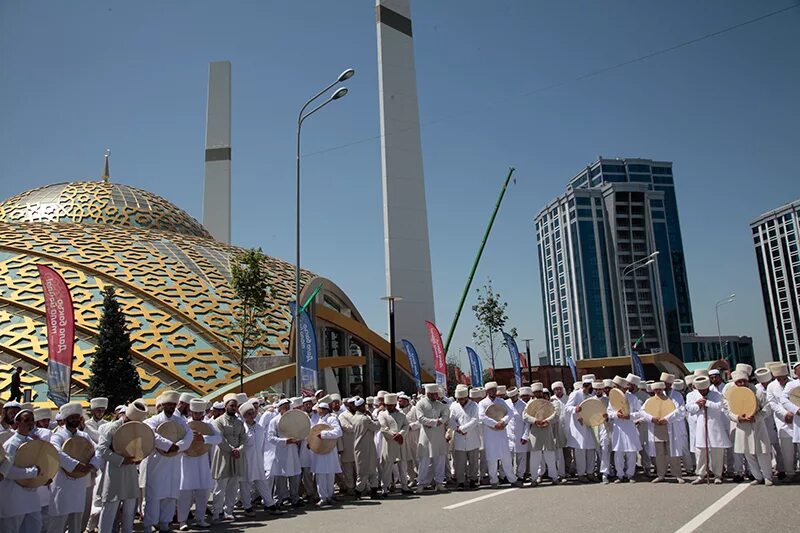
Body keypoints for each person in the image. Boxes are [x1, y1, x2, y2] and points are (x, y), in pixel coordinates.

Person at [141, 390, 192, 533]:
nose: (170, 407)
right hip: (157, 464)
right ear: (163, 405)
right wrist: (169, 445)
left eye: (173, 405)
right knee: (154, 496)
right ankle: (148, 525)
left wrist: (179, 446)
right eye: (168, 404)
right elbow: (151, 434)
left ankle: (165, 523)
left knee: (170, 495)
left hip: (174, 463)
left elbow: (189, 436)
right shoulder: (153, 420)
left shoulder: (181, 421)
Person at [96, 400, 148, 533]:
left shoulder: (138, 429)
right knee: (110, 507)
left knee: (130, 507)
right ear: (126, 416)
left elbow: (141, 448)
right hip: (114, 471)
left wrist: (138, 459)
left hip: (130, 471)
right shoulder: (112, 428)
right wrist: (121, 460)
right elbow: (102, 448)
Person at [48, 402, 100, 533]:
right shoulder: (57, 435)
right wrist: (76, 465)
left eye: (77, 417)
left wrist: (92, 464)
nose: (75, 420)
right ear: (65, 419)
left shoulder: (84, 436)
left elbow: (97, 450)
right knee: (58, 521)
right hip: (62, 483)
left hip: (79, 484)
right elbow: (57, 453)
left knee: (76, 522)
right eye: (72, 417)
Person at [177, 399, 221, 530]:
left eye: (199, 413)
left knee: (203, 490)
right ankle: (182, 521)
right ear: (191, 411)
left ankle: (200, 518)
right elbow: (178, 439)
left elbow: (219, 438)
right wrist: (189, 438)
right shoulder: (184, 424)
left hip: (202, 460)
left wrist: (204, 438)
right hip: (187, 460)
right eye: (195, 412)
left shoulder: (208, 424)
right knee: (185, 492)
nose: (197, 415)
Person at [0, 408, 45, 533]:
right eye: (26, 420)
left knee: (35, 527)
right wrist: (32, 472)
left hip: (31, 497)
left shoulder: (33, 442)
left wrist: (43, 478)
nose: (30, 423)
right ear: (18, 423)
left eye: (32, 420)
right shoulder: (11, 444)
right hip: (13, 497)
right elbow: (7, 471)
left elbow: (40, 464)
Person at [727, 371, 773, 486]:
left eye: (744, 381)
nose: (742, 383)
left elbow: (767, 409)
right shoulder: (732, 394)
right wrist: (738, 418)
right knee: (748, 453)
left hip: (757, 425)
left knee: (762, 452)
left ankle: (768, 476)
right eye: (739, 382)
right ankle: (757, 477)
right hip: (742, 427)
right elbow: (729, 412)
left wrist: (756, 417)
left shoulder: (758, 392)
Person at [686, 376, 730, 484]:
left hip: (715, 425)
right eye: (700, 390)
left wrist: (707, 403)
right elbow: (689, 408)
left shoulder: (717, 395)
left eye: (704, 390)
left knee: (717, 451)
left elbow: (720, 406)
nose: (702, 392)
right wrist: (698, 405)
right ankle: (701, 475)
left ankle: (718, 474)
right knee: (700, 451)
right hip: (701, 426)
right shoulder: (691, 395)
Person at [478, 382, 522, 488]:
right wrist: (494, 424)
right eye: (491, 390)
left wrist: (503, 421)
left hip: (501, 433)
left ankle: (512, 479)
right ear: (487, 391)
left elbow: (510, 413)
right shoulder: (482, 403)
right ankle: (494, 480)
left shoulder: (501, 401)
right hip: (490, 434)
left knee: (506, 457)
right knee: (491, 458)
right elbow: (482, 416)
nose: (493, 391)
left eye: (494, 389)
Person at [210, 393, 247, 522]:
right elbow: (220, 439)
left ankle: (228, 511)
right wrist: (231, 450)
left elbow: (244, 438)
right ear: (225, 406)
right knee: (220, 486)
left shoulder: (239, 423)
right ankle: (217, 511)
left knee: (233, 485)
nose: (233, 408)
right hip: (223, 456)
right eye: (231, 405)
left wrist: (239, 450)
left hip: (236, 457)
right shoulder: (218, 421)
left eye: (235, 406)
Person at [641, 382, 686, 484]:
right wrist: (652, 418)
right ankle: (661, 475)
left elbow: (680, 411)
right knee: (659, 453)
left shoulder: (670, 400)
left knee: (673, 453)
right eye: (656, 390)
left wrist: (667, 419)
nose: (658, 392)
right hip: (656, 429)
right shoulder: (649, 401)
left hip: (670, 428)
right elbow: (642, 412)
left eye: (660, 389)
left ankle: (678, 475)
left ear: (663, 389)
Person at [523, 383, 562, 485]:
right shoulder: (530, 403)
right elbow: (525, 416)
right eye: (535, 392)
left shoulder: (549, 403)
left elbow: (556, 415)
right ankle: (534, 479)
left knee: (550, 456)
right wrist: (535, 421)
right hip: (535, 432)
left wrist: (546, 421)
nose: (538, 394)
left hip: (547, 431)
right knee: (535, 457)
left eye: (539, 392)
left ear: (542, 392)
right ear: (533, 393)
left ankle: (554, 477)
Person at [267, 398, 302, 508]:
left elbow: (301, 432)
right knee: (280, 477)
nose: (287, 409)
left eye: (288, 407)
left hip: (293, 451)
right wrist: (286, 441)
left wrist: (298, 439)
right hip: (281, 452)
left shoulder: (294, 420)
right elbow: (270, 438)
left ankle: (295, 498)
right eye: (285, 407)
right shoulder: (274, 421)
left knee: (295, 475)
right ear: (280, 409)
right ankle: (279, 499)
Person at [415, 383, 450, 493]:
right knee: (424, 461)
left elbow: (446, 414)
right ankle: (421, 483)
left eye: (437, 394)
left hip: (439, 436)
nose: (436, 396)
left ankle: (439, 483)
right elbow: (420, 418)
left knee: (440, 459)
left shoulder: (440, 404)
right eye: (434, 394)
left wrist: (441, 421)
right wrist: (435, 422)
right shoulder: (420, 404)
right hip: (426, 436)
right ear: (429, 394)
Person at [608, 376, 642, 484]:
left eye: (617, 386)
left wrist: (630, 416)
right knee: (618, 452)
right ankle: (620, 475)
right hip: (618, 427)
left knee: (631, 452)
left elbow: (640, 413)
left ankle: (630, 474)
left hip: (630, 427)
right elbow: (608, 412)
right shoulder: (612, 398)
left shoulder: (633, 398)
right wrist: (616, 415)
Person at [767, 363, 797, 481]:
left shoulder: (793, 384)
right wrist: (785, 414)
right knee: (786, 449)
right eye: (779, 379)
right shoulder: (771, 386)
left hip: (796, 418)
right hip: (782, 420)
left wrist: (793, 412)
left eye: (784, 378)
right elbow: (772, 403)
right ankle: (790, 473)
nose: (781, 381)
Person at [565, 375, 597, 482]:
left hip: (589, 426)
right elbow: (567, 408)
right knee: (580, 452)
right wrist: (576, 409)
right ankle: (581, 474)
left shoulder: (591, 396)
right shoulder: (575, 394)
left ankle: (590, 473)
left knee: (590, 450)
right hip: (578, 428)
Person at [311, 402, 343, 506]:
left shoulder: (331, 419)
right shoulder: (318, 420)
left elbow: (338, 432)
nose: (317, 411)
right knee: (320, 475)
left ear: (324, 409)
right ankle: (323, 497)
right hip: (320, 451)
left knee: (330, 474)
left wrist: (324, 434)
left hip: (329, 450)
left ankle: (329, 496)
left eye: (319, 409)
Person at [377, 393, 409, 496]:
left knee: (402, 465)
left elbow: (406, 425)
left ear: (395, 405)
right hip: (389, 443)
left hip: (400, 443)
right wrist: (394, 435)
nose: (389, 407)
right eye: (388, 405)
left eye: (391, 405)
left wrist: (401, 434)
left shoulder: (401, 415)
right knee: (387, 466)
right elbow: (383, 427)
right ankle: (385, 488)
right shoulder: (382, 414)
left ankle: (405, 486)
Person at [351, 396, 381, 498]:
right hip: (366, 447)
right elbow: (376, 426)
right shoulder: (364, 419)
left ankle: (372, 490)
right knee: (368, 470)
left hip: (360, 447)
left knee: (364, 470)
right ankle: (358, 491)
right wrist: (373, 417)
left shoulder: (353, 418)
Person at [505, 387, 528, 480]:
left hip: (520, 433)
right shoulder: (506, 403)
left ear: (517, 395)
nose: (512, 399)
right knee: (508, 457)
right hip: (508, 434)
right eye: (511, 397)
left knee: (521, 456)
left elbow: (527, 422)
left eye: (514, 396)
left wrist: (525, 435)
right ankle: (509, 475)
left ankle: (520, 475)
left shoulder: (524, 405)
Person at [336, 398, 358, 495]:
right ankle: (350, 488)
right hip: (348, 446)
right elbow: (347, 428)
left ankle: (360, 487)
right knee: (348, 470)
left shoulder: (359, 414)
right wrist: (360, 425)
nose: (354, 406)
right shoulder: (342, 415)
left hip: (359, 445)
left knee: (358, 468)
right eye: (353, 404)